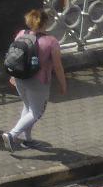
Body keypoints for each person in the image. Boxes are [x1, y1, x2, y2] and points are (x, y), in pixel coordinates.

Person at [5, 8, 65, 151]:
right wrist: (63, 84)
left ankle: (28, 140)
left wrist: (13, 76)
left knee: (28, 107)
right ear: (46, 23)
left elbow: (15, 56)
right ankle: (12, 135)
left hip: (20, 78)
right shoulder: (51, 41)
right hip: (39, 81)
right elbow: (57, 66)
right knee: (36, 112)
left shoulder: (21, 34)